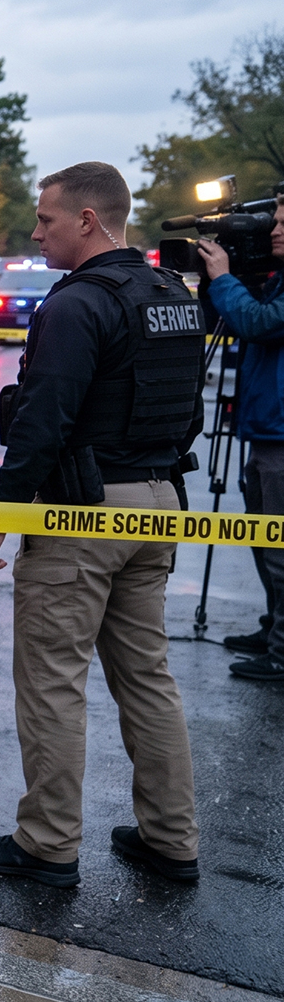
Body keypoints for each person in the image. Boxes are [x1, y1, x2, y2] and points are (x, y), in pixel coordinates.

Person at [0, 161, 204, 889]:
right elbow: (189, 410)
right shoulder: (174, 295)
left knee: (52, 683)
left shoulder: (75, 305)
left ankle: (47, 845)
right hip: (159, 503)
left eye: (46, 220)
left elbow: (42, 421)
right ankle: (171, 839)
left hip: (82, 514)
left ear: (88, 221)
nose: (36, 232)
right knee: (148, 680)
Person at [199, 203, 284, 679]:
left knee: (280, 549)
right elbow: (230, 320)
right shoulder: (276, 277)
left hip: (280, 435)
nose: (274, 230)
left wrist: (225, 277)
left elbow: (256, 323)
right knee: (263, 539)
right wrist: (219, 284)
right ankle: (274, 629)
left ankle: (283, 649)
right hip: (265, 427)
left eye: (283, 224)